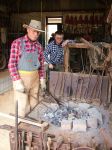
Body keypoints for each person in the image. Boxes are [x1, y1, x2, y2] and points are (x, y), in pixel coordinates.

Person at [8, 20, 46, 117]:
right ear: (28, 29)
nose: (36, 34)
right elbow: (12, 64)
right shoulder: (17, 43)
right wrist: (17, 81)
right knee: (22, 105)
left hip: (35, 80)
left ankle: (34, 126)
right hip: (22, 80)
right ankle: (22, 127)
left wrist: (42, 79)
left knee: (35, 104)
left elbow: (41, 65)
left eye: (38, 32)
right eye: (34, 31)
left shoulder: (39, 46)